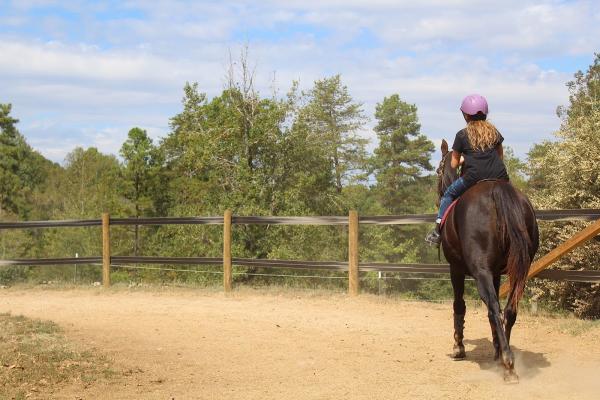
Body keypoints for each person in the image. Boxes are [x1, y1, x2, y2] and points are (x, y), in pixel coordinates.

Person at [425, 94, 509, 245]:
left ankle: (437, 232)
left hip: (474, 177)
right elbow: (500, 155)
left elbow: (453, 164)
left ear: (465, 115)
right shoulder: (494, 132)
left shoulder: (462, 134)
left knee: (448, 195)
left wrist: (464, 158)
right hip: (500, 175)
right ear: (485, 113)